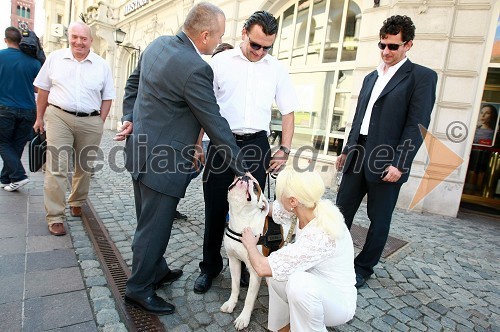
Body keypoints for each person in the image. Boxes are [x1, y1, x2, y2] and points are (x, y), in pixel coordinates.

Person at [114, 2, 250, 315]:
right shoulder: (195, 68)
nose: (218, 42)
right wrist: (243, 170)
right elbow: (215, 124)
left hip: (140, 151)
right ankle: (138, 289)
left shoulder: (159, 44)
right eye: (218, 36)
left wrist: (128, 116)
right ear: (204, 35)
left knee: (148, 221)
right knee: (153, 229)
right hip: (163, 164)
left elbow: (132, 83)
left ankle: (156, 270)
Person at [195, 10, 299, 294]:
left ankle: (247, 265)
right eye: (256, 45)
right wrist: (197, 143)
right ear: (244, 33)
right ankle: (210, 267)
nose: (260, 52)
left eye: (267, 47)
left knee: (253, 213)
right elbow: (204, 106)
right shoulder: (220, 61)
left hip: (256, 145)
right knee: (216, 208)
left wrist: (285, 148)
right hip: (220, 142)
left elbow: (288, 110)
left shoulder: (276, 68)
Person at [335, 15, 438, 288]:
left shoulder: (421, 78)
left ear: (408, 45)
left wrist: (400, 164)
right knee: (340, 212)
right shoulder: (371, 77)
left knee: (378, 220)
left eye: (393, 46)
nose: (386, 52)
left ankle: (363, 268)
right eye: (382, 45)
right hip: (358, 153)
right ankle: (334, 259)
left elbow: (417, 125)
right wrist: (347, 150)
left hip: (387, 159)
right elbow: (360, 116)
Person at [241, 166, 357, 332]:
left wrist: (251, 245)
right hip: (316, 285)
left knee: (298, 284)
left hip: (337, 303)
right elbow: (275, 210)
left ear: (293, 201)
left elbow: (261, 267)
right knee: (276, 276)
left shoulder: (321, 234)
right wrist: (257, 200)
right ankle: (281, 327)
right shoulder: (308, 207)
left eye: (280, 193)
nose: (278, 197)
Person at [33, 22, 115, 236]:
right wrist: (39, 118)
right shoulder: (55, 58)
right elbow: (43, 89)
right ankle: (55, 216)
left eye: (84, 38)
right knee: (56, 167)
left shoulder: (101, 65)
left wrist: (100, 121)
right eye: (75, 37)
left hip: (90, 120)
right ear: (69, 37)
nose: (79, 41)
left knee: (84, 165)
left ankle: (77, 201)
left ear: (91, 41)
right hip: (59, 116)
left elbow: (107, 97)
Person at [0, 27, 41, 191]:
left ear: (5, 40)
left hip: (5, 109)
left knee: (3, 143)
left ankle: (19, 176)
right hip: (28, 110)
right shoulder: (34, 62)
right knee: (16, 145)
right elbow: (40, 88)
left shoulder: (1, 57)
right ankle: (4, 178)